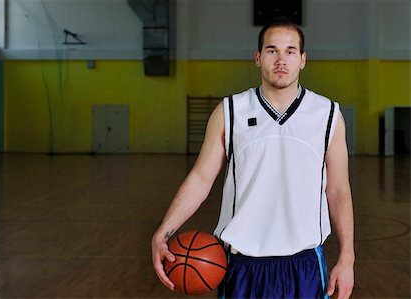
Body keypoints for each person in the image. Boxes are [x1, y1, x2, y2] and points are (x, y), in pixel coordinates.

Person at [151, 18, 354, 299]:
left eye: (290, 51)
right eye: (272, 50)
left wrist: (347, 259)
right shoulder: (230, 111)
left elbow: (339, 190)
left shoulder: (328, 114)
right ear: (258, 58)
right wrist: (164, 230)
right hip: (241, 266)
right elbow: (201, 178)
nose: (281, 59)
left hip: (304, 265)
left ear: (303, 60)